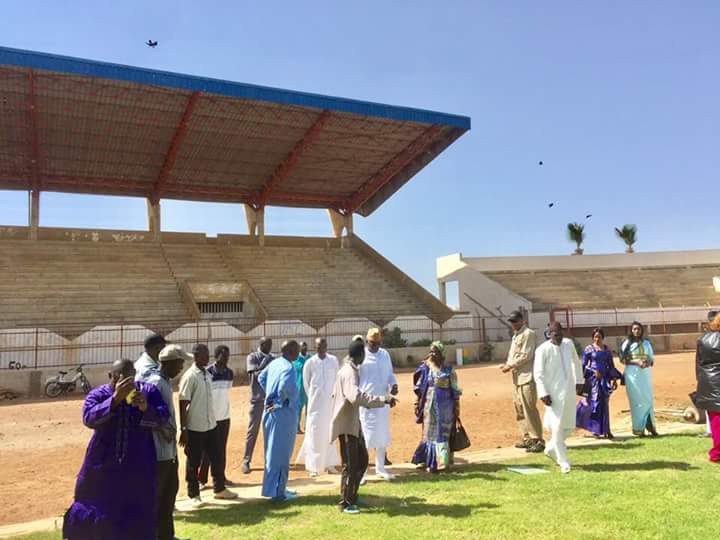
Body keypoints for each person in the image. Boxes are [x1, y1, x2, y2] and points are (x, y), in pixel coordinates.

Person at [63, 359, 169, 540]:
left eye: (129, 379)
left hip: (138, 464)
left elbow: (163, 418)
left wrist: (145, 407)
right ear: (110, 376)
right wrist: (114, 400)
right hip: (102, 464)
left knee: (137, 508)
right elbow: (89, 418)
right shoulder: (99, 394)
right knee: (97, 504)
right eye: (118, 379)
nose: (124, 384)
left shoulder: (148, 391)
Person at [331, 340, 397, 514]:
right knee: (350, 464)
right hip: (346, 425)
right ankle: (345, 502)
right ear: (360, 355)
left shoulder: (351, 369)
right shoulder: (349, 372)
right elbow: (356, 397)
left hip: (354, 422)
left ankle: (352, 496)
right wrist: (382, 400)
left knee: (362, 460)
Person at [141, 344, 191, 540]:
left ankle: (166, 535)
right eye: (180, 363)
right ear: (170, 363)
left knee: (169, 494)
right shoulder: (156, 383)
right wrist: (167, 430)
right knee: (159, 496)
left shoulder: (163, 381)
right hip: (158, 450)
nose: (181, 367)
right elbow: (149, 415)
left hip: (167, 450)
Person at [179, 344, 237, 506]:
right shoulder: (190, 376)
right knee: (194, 461)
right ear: (196, 356)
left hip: (211, 425)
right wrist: (184, 429)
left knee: (217, 457)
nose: (207, 358)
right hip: (195, 426)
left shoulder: (207, 375)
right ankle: (194, 495)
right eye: (204, 355)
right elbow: (183, 403)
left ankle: (219, 489)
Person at [534, 322, 583, 474]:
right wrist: (543, 393)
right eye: (555, 334)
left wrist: (580, 381)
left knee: (568, 426)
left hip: (568, 392)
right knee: (556, 427)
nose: (559, 337)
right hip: (552, 395)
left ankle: (550, 449)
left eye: (560, 333)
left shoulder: (568, 344)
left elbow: (576, 362)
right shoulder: (542, 350)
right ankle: (563, 461)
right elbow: (538, 373)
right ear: (549, 334)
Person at [259, 340, 300, 501]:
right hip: (283, 416)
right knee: (282, 455)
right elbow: (284, 390)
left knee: (271, 453)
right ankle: (279, 493)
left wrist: (269, 397)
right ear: (290, 350)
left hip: (270, 414)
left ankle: (273, 488)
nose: (298, 352)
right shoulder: (289, 368)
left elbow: (261, 378)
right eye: (296, 349)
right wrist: (277, 402)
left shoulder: (274, 363)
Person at [411, 341, 461, 473]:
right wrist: (417, 402)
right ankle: (426, 460)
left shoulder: (449, 371)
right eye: (430, 351)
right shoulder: (425, 369)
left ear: (441, 354)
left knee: (442, 432)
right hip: (428, 406)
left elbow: (455, 390)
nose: (432, 354)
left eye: (435, 351)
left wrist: (457, 407)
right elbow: (419, 388)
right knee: (428, 432)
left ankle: (442, 461)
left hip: (445, 406)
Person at [500, 310, 544, 453]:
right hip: (516, 377)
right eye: (511, 322)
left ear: (522, 320)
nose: (513, 324)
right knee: (519, 409)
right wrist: (507, 364)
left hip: (527, 377)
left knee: (529, 408)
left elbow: (526, 355)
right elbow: (512, 355)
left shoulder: (528, 334)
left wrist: (510, 365)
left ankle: (538, 439)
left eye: (515, 321)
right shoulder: (515, 335)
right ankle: (527, 438)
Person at [359, 328, 398, 480]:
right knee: (366, 438)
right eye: (372, 343)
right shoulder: (361, 355)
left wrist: (393, 385)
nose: (375, 346)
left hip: (383, 401)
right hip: (366, 403)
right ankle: (362, 472)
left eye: (377, 343)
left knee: (382, 435)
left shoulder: (384, 354)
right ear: (367, 341)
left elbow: (390, 374)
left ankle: (380, 468)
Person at [297, 337, 340, 476]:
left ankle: (330, 464)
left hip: (330, 405)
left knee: (330, 433)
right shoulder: (310, 363)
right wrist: (314, 398)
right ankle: (313, 467)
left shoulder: (333, 361)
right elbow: (306, 384)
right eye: (318, 346)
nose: (321, 348)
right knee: (314, 433)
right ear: (315, 348)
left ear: (327, 346)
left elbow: (337, 380)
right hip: (315, 406)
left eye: (323, 345)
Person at [198, 345, 235, 489]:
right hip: (210, 417)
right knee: (206, 450)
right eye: (224, 356)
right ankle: (201, 479)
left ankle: (221, 477)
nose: (226, 359)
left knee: (221, 449)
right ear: (217, 355)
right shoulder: (207, 373)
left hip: (224, 417)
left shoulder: (230, 373)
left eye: (228, 356)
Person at [576, 328, 623, 439]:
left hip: (605, 380)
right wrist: (593, 371)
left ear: (603, 337)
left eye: (599, 337)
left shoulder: (607, 350)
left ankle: (607, 430)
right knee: (595, 404)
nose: (597, 339)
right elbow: (583, 365)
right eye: (595, 337)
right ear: (593, 337)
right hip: (593, 381)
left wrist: (614, 379)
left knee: (605, 405)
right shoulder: (589, 349)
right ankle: (595, 430)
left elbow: (611, 366)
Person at [619, 321, 658, 437]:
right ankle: (638, 429)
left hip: (645, 375)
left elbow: (652, 359)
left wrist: (647, 362)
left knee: (648, 400)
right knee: (637, 402)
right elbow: (622, 359)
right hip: (632, 376)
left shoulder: (646, 343)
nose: (636, 331)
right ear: (631, 330)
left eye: (638, 329)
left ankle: (651, 427)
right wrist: (636, 362)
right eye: (634, 329)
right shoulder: (627, 344)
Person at [242, 337, 274, 474]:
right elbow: (255, 375)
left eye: (271, 344)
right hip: (257, 400)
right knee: (252, 431)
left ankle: (271, 460)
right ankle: (246, 460)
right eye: (268, 344)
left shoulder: (274, 358)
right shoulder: (252, 357)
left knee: (271, 431)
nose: (271, 347)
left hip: (271, 401)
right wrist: (266, 361)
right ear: (262, 345)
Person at [696, 313, 720, 462]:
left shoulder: (703, 340)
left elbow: (698, 364)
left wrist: (700, 383)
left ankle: (717, 452)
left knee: (716, 422)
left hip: (709, 384)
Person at [294, 341, 310, 433]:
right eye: (302, 346)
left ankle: (307, 426)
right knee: (298, 408)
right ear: (299, 348)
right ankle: (297, 427)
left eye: (305, 346)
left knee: (309, 408)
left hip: (309, 386)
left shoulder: (310, 358)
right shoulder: (296, 360)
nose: (304, 348)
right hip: (299, 387)